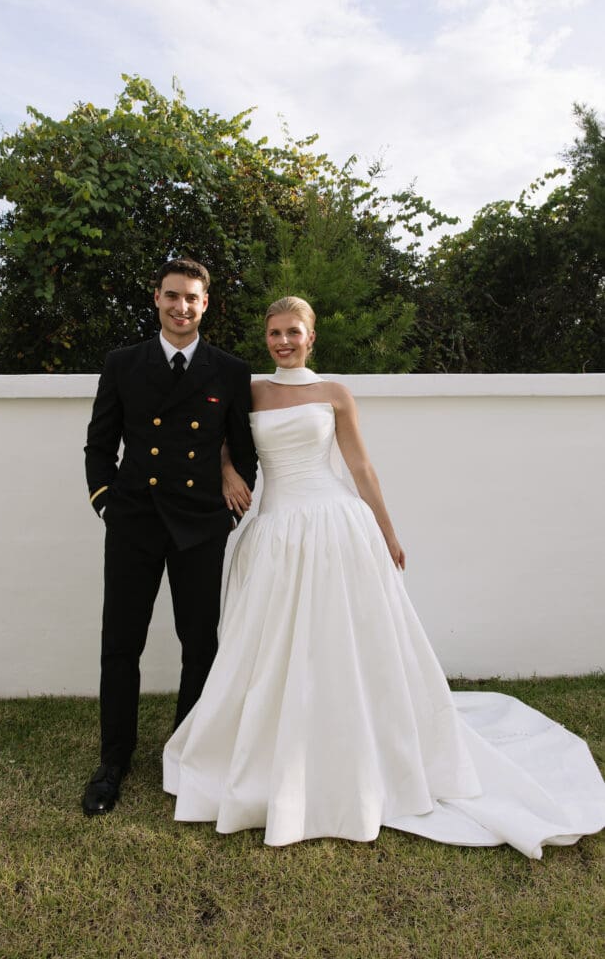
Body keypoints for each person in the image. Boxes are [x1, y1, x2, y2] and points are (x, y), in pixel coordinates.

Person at [163, 296, 605, 857]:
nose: (283, 341)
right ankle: (276, 750)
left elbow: (360, 466)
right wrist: (226, 471)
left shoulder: (334, 394)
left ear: (311, 336)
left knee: (342, 641)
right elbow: (217, 440)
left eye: (293, 332)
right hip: (275, 529)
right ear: (266, 337)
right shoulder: (248, 390)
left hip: (334, 525)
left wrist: (387, 530)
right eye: (275, 332)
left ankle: (357, 746)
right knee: (272, 648)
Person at [82, 258, 257, 816]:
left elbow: (243, 449)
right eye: (172, 296)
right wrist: (105, 502)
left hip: (200, 527)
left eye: (193, 298)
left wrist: (230, 507)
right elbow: (99, 445)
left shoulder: (229, 370)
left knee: (199, 645)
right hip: (133, 520)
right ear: (156, 299)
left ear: (206, 305)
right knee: (120, 645)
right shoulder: (123, 363)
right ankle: (114, 762)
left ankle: (188, 754)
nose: (182, 307)